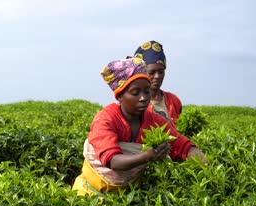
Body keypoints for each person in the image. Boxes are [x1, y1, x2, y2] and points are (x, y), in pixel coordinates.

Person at [72, 57, 205, 196]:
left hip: (128, 197)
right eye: (135, 93)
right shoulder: (105, 119)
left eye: (147, 92)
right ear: (120, 96)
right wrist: (148, 156)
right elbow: (113, 161)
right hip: (90, 195)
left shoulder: (154, 121)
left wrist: (201, 159)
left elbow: (181, 145)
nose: (143, 98)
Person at [134, 40, 182, 125]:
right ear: (142, 73)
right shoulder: (134, 102)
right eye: (151, 73)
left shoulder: (174, 101)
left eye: (161, 72)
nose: (157, 76)